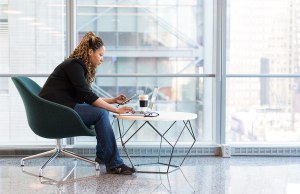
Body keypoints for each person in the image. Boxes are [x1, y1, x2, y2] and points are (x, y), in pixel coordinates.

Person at [39, 32, 135, 175]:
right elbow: (88, 96)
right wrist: (116, 110)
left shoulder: (76, 65)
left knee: (102, 111)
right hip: (54, 112)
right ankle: (114, 164)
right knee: (102, 112)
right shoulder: (74, 65)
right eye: (100, 55)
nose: (102, 59)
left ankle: (102, 157)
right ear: (90, 52)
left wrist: (114, 101)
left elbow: (87, 96)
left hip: (60, 109)